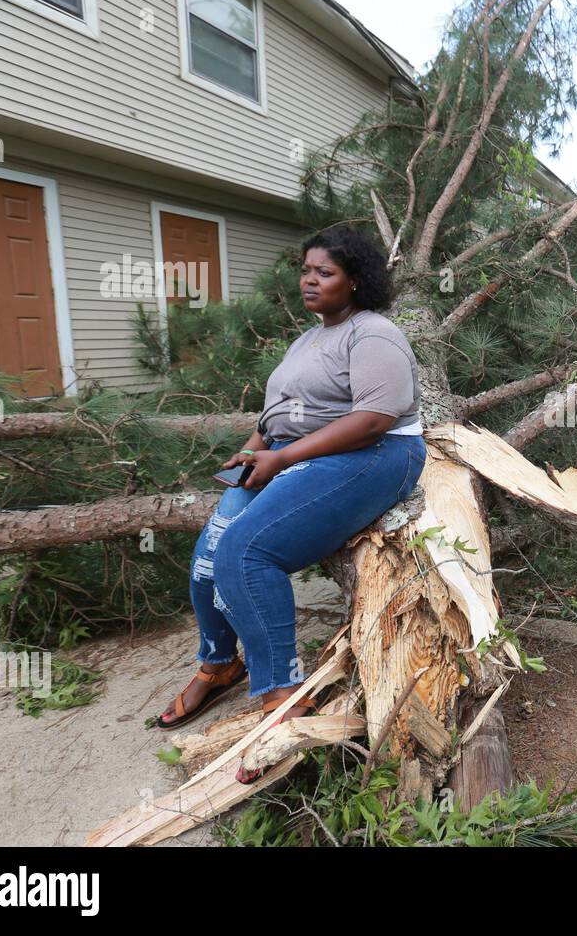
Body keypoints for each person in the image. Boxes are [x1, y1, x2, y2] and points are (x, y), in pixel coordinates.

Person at [153, 226, 426, 784]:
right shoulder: (307, 340)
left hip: (374, 455)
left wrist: (283, 459)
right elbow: (275, 413)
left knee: (246, 554)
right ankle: (219, 662)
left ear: (356, 281)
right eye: (306, 270)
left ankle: (284, 693)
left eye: (324, 272)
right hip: (289, 454)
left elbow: (375, 419)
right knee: (208, 560)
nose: (309, 279)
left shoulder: (374, 333)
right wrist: (254, 451)